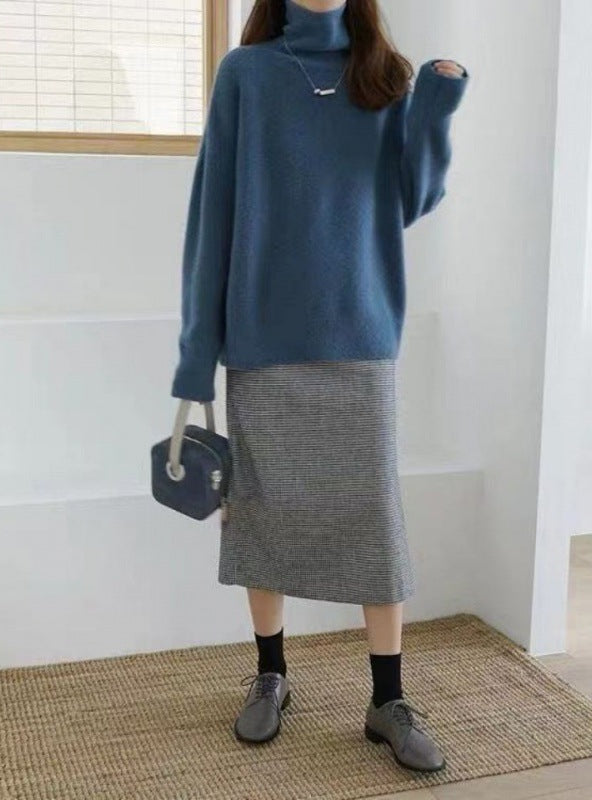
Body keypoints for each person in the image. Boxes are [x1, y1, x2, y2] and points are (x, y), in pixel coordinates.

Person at [171, 0, 469, 773]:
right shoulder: (246, 75)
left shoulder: (385, 75)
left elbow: (411, 199)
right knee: (262, 515)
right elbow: (212, 216)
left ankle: (387, 699)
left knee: (374, 519)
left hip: (361, 333)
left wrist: (435, 109)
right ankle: (271, 674)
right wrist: (196, 358)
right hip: (263, 338)